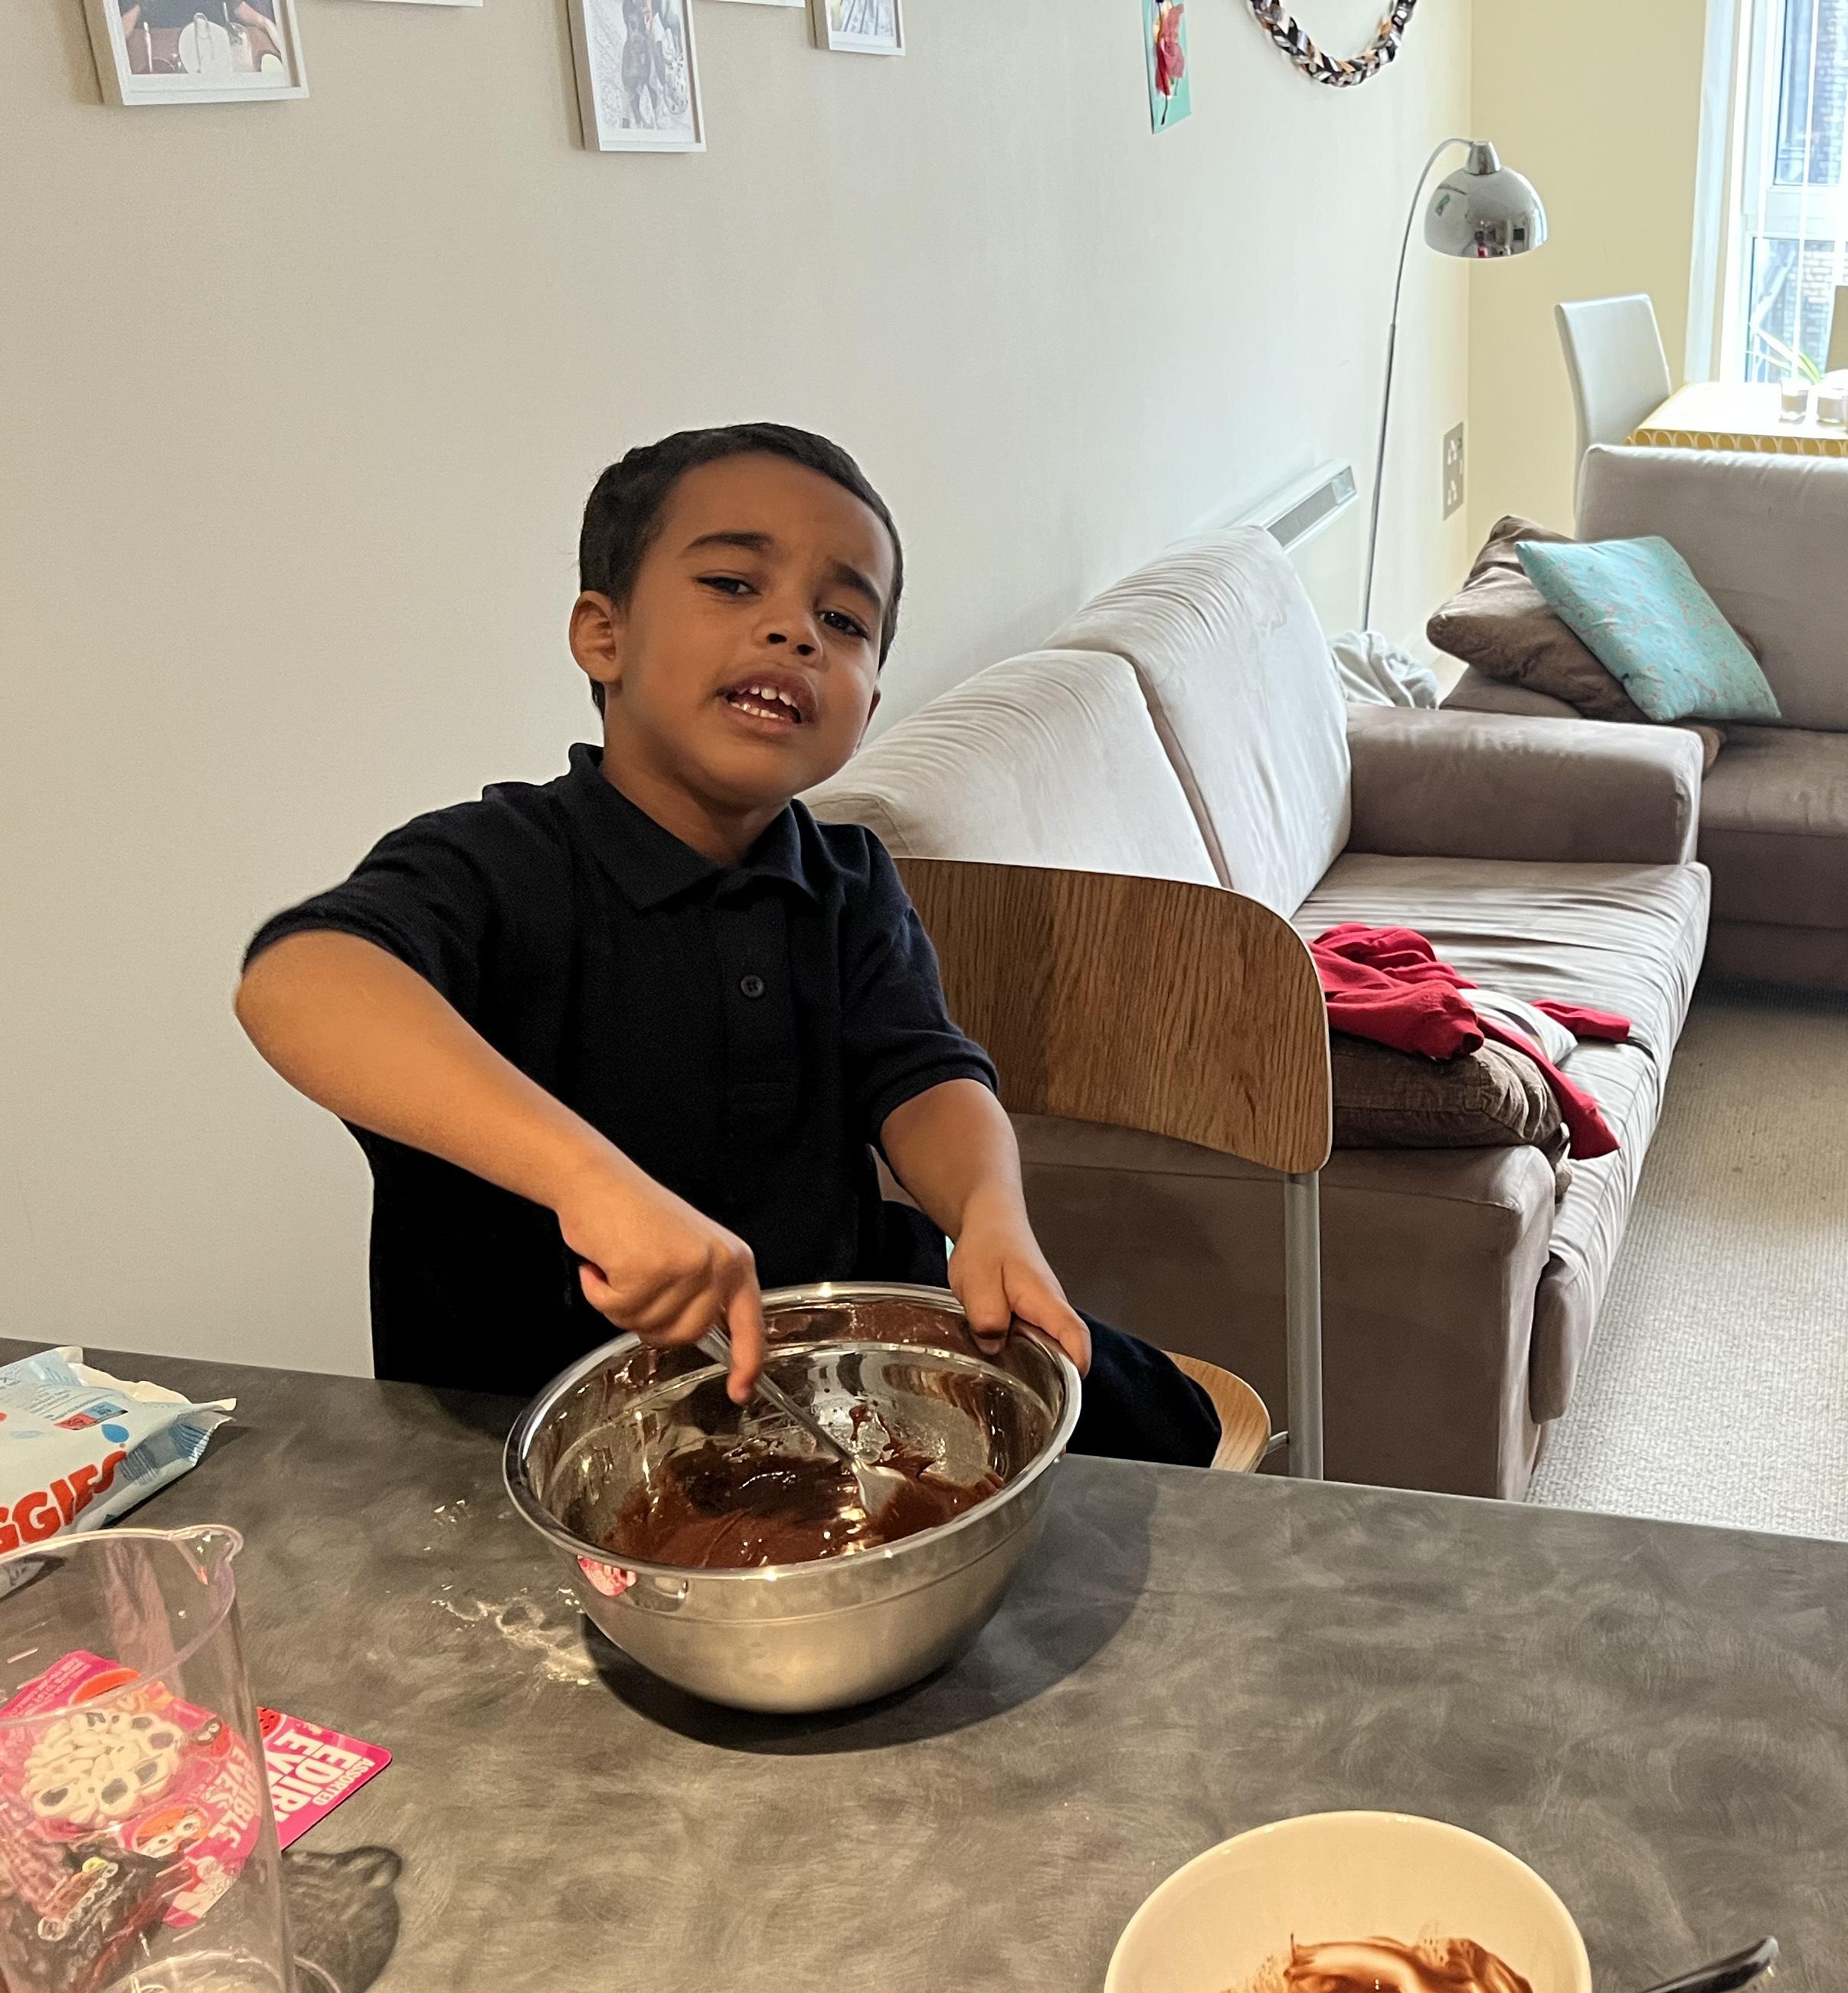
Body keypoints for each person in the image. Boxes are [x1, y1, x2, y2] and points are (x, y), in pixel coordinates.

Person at [236, 421, 1217, 1464]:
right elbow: (300, 981)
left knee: (1165, 1424)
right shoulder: (500, 861)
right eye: (733, 585)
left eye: (843, 619)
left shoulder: (847, 879)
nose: (795, 631)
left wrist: (988, 1214)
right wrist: (591, 1183)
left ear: (869, 703)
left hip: (823, 1379)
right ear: (603, 637)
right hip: (527, 1428)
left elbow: (925, 1074)